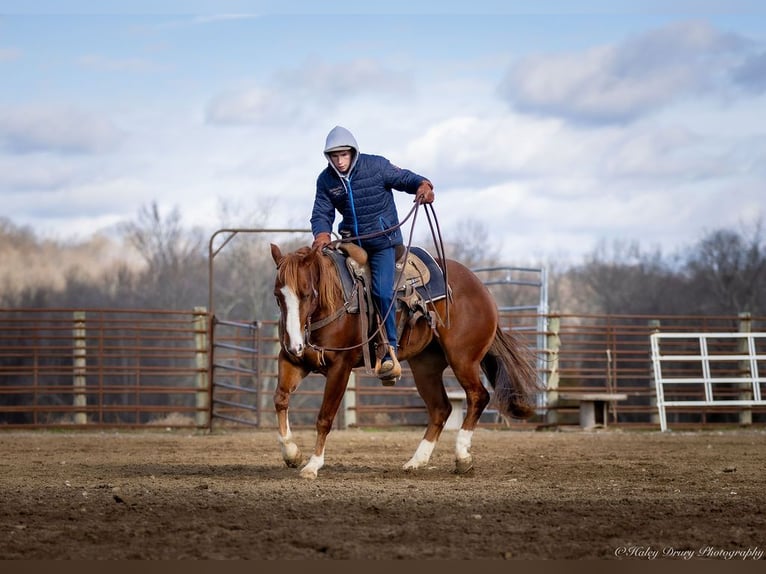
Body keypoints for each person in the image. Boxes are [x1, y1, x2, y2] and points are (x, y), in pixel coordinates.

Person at [310, 126, 435, 382]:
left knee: (381, 290)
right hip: (351, 244)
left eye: (344, 155)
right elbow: (322, 211)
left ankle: (389, 349)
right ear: (328, 157)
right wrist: (322, 233)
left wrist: (423, 185)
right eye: (334, 156)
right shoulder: (326, 181)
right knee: (331, 285)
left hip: (383, 242)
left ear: (353, 152)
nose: (340, 160)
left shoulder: (376, 167)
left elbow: (405, 178)